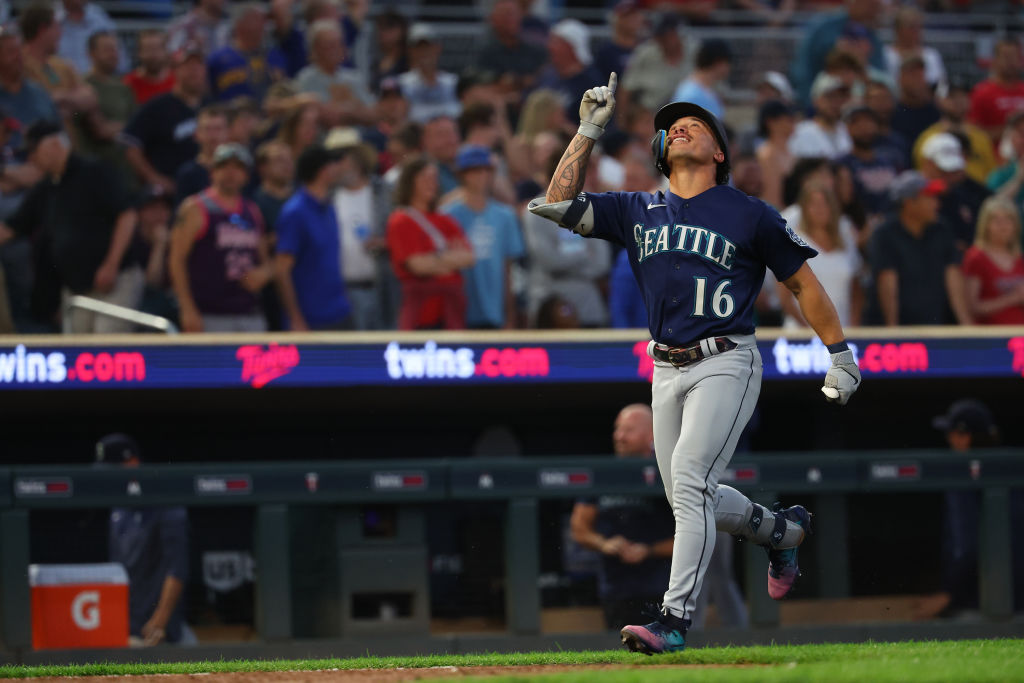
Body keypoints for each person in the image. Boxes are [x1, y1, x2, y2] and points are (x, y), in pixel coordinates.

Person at [527, 74, 860, 653]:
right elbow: (556, 204)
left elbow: (803, 286)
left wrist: (839, 354)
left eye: (695, 124)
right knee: (688, 492)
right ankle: (782, 531)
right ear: (660, 152)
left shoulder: (749, 213)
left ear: (719, 151)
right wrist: (586, 130)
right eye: (670, 127)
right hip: (665, 366)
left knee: (689, 481)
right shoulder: (637, 207)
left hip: (726, 358)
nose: (679, 127)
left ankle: (674, 619)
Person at [0, 121, 141, 333]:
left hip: (115, 280)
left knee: (107, 350)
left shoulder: (96, 172)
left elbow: (127, 215)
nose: (30, 159)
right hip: (77, 288)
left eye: (33, 150)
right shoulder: (46, 188)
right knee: (77, 354)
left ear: (55, 145)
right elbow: (10, 230)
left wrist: (111, 264)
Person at [569, 404, 674, 630]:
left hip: (663, 587)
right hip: (616, 587)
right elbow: (579, 526)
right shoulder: (604, 474)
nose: (619, 436)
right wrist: (604, 543)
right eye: (618, 429)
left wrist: (649, 550)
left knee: (662, 654)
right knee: (620, 652)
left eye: (628, 430)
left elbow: (693, 535)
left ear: (651, 435)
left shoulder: (670, 473)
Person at [97, 433, 191, 646]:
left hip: (158, 631)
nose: (106, 478)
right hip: (125, 626)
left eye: (111, 470)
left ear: (131, 463)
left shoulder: (164, 500)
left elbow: (178, 566)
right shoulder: (118, 505)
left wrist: (161, 619)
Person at [169, 143, 273, 333]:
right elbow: (176, 260)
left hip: (249, 313)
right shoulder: (195, 207)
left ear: (247, 175)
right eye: (224, 166)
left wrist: (263, 274)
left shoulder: (252, 211)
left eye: (238, 167)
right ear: (212, 172)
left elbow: (265, 261)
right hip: (209, 314)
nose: (230, 173)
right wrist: (187, 308)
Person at [866, 170, 972, 326]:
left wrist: (966, 326)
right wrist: (891, 331)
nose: (937, 204)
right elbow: (887, 283)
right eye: (929, 198)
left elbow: (953, 277)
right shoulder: (884, 234)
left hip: (938, 326)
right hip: (899, 329)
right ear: (909, 202)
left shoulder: (941, 230)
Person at [386, 156, 474, 331]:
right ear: (410, 182)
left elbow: (468, 257)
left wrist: (434, 260)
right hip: (420, 315)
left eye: (434, 178)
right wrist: (448, 260)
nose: (431, 183)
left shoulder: (445, 220)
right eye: (425, 178)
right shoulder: (400, 221)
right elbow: (417, 265)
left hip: (450, 314)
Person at [442, 145, 525, 329]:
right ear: (462, 174)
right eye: (474, 170)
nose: (482, 176)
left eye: (486, 170)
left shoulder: (505, 216)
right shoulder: (447, 216)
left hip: (495, 309)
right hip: (459, 309)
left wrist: (510, 316)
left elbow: (508, 270)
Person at [274, 143, 352, 331]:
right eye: (334, 164)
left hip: (339, 311)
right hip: (311, 318)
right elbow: (282, 270)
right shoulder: (295, 212)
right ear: (324, 171)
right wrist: (295, 318)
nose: (339, 169)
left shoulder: (329, 207)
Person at [326, 127, 392, 330]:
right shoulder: (326, 197)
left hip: (382, 288)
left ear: (357, 158)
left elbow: (404, 236)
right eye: (332, 158)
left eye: (341, 157)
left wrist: (384, 242)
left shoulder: (384, 192)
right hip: (340, 291)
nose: (337, 164)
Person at [122, 43, 205, 196]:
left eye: (198, 65)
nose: (194, 71)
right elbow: (130, 144)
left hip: (206, 190)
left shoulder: (211, 105)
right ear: (174, 70)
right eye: (187, 66)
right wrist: (153, 178)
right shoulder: (158, 106)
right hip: (171, 193)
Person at [776, 182, 862, 329]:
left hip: (842, 334)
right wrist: (809, 331)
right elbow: (784, 298)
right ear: (804, 208)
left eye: (824, 203)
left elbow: (856, 291)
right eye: (813, 204)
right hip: (801, 340)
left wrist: (853, 325)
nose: (819, 209)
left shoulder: (846, 241)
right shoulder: (793, 242)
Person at [914, 80, 997, 187]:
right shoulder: (928, 139)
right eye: (952, 96)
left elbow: (991, 174)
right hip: (943, 195)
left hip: (978, 196)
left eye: (963, 96)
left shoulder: (981, 137)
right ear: (938, 100)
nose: (959, 101)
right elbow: (924, 176)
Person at [918, 132, 991, 254]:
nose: (949, 175)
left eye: (953, 170)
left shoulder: (962, 193)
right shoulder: (910, 195)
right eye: (944, 170)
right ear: (927, 163)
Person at [961, 197, 1024, 325]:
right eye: (996, 220)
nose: (1003, 225)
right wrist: (1013, 298)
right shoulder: (976, 257)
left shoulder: (1019, 257)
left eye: (1008, 219)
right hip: (992, 337)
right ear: (986, 224)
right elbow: (973, 307)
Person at [206, 4, 285, 102]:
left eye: (264, 20)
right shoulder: (218, 59)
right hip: (229, 114)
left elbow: (284, 91)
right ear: (239, 24)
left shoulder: (275, 55)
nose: (264, 25)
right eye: (257, 19)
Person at [397, 23, 460, 124]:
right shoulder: (401, 84)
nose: (424, 52)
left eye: (428, 47)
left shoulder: (453, 82)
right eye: (418, 48)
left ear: (438, 48)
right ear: (410, 51)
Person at [968, 37, 1024, 144]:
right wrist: (1010, 128)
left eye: (1014, 57)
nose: (1011, 62)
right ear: (995, 60)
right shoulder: (981, 93)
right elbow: (973, 134)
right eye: (1006, 57)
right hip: (993, 157)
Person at [174, 104, 229, 205]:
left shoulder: (239, 170)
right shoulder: (187, 173)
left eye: (218, 129)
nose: (213, 135)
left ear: (227, 132)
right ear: (196, 134)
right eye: (207, 129)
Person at [788, 74, 852, 161]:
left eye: (840, 97)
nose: (835, 102)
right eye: (830, 97)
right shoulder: (800, 132)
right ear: (816, 100)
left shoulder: (849, 131)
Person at [883, 6, 945, 90]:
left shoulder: (931, 55)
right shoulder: (886, 54)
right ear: (898, 29)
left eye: (919, 27)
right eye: (911, 27)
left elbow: (940, 85)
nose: (916, 31)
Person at [56, 0, 123, 77]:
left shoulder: (101, 19)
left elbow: (121, 64)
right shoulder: (53, 20)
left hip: (98, 81)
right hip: (63, 84)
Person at [671, 39, 732, 121]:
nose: (729, 68)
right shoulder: (690, 95)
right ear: (718, 62)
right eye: (728, 62)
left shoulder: (706, 89)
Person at [123, 29, 175, 106]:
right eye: (148, 49)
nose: (153, 55)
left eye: (157, 49)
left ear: (165, 51)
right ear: (139, 53)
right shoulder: (128, 83)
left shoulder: (178, 82)